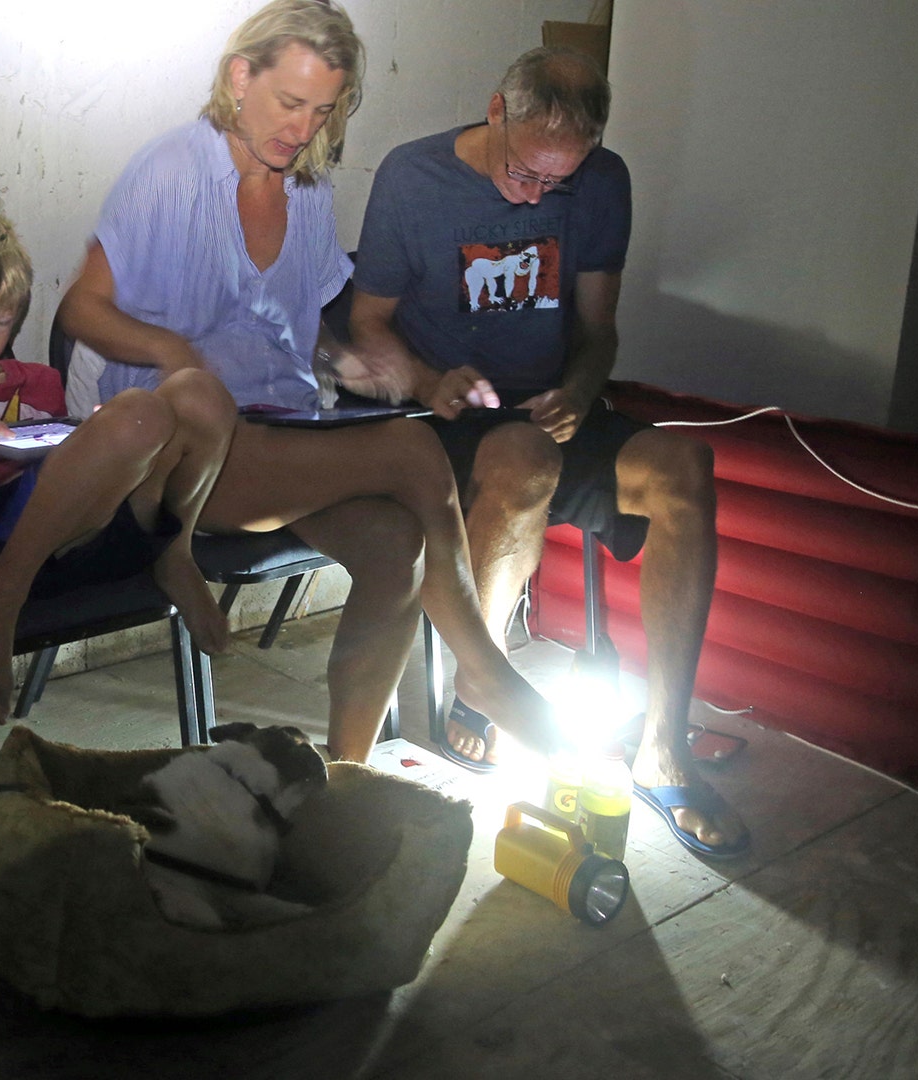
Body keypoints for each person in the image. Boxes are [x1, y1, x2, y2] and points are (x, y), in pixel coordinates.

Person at [57, 0, 557, 763]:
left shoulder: (309, 190)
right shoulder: (170, 174)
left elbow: (299, 328)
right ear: (238, 77)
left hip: (275, 439)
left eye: (321, 111)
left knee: (396, 548)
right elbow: (80, 310)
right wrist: (176, 352)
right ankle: (483, 670)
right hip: (175, 461)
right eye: (289, 103)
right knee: (414, 457)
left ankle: (346, 773)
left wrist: (368, 367)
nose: (302, 127)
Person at [344, 46, 748, 856]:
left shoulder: (602, 183)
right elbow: (365, 323)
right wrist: (426, 382)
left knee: (684, 470)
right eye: (524, 172)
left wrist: (580, 385)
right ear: (496, 111)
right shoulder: (413, 178)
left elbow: (599, 332)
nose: (535, 194)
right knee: (523, 459)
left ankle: (664, 748)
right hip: (448, 416)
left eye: (556, 182)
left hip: (547, 405)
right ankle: (482, 687)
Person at [0, 207, 237, 723]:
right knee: (141, 415)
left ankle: (174, 551)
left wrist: (102, 441)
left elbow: (75, 463)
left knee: (201, 393)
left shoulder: (36, 379)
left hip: (91, 531)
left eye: (1, 320)